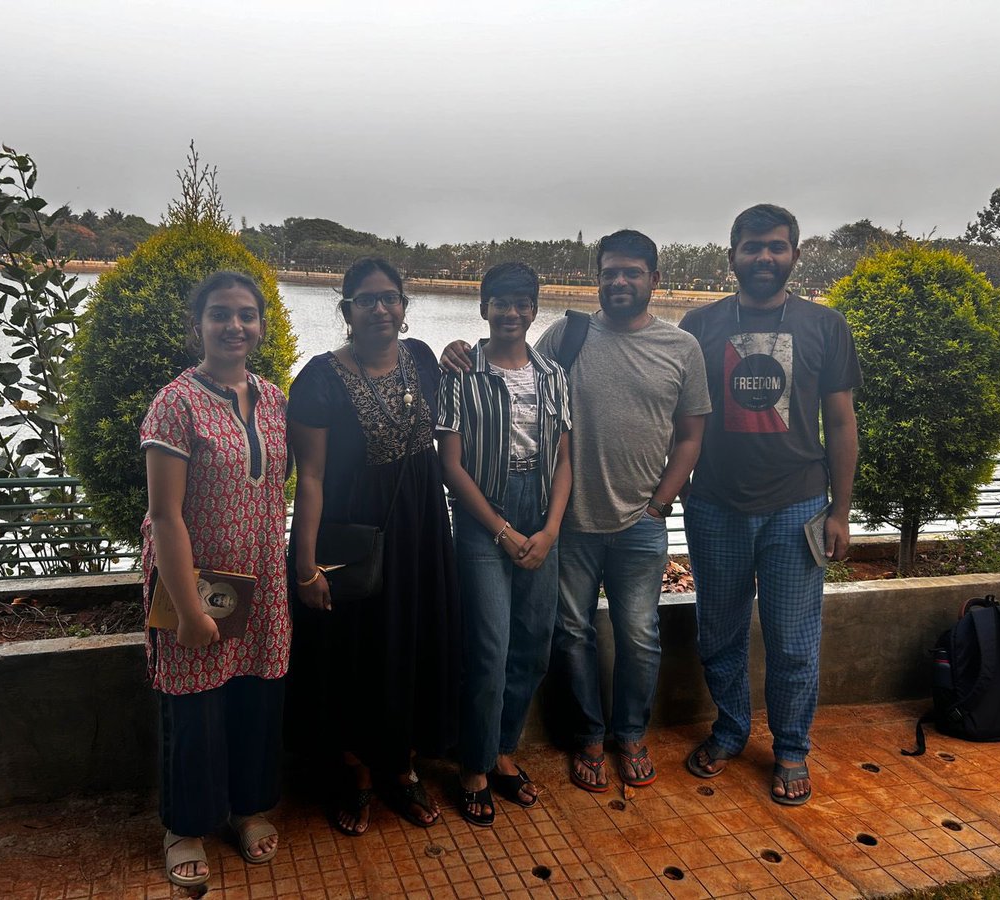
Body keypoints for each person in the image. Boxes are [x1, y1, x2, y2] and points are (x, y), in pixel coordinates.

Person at [442, 231, 710, 793]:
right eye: (610, 272)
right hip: (554, 522)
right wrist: (454, 350)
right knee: (559, 637)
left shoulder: (679, 347)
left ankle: (628, 735)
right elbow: (503, 371)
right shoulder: (570, 334)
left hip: (626, 519)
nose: (620, 282)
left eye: (632, 272)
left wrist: (660, 503)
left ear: (654, 280)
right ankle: (572, 740)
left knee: (635, 634)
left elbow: (689, 435)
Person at [680, 204, 861, 806]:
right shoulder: (698, 325)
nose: (764, 258)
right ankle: (731, 730)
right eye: (753, 247)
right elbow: (675, 413)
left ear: (795, 255)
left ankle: (790, 747)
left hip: (798, 506)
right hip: (714, 505)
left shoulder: (825, 326)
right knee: (720, 631)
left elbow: (840, 421)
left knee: (792, 639)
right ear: (731, 255)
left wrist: (840, 510)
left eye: (776, 247)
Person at [288, 257, 460, 836]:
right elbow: (308, 476)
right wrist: (304, 562)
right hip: (354, 537)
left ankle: (403, 768)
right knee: (356, 651)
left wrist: (467, 347)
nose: (381, 308)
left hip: (420, 532)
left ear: (404, 308)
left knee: (412, 641)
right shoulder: (318, 377)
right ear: (347, 311)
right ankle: (358, 774)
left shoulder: (425, 361)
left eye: (390, 298)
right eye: (367, 300)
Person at [140, 271, 290, 889]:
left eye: (247, 315)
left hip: (263, 578)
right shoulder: (175, 403)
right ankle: (185, 825)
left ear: (260, 325)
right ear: (197, 324)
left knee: (257, 697)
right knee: (194, 706)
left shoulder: (275, 397)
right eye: (220, 315)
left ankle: (247, 808)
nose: (235, 326)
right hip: (194, 582)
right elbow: (165, 515)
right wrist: (187, 605)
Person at [436, 262, 573, 826]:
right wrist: (502, 530)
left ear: (534, 310)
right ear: (484, 306)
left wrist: (550, 530)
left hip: (541, 520)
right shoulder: (460, 373)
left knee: (533, 647)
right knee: (489, 651)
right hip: (482, 522)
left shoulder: (554, 375)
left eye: (521, 303)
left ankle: (504, 751)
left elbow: (566, 458)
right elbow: (449, 465)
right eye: (500, 302)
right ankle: (473, 765)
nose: (511, 313)